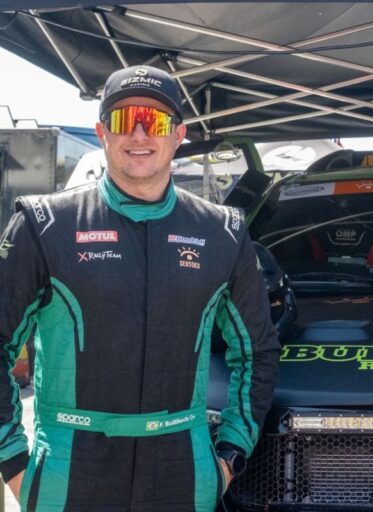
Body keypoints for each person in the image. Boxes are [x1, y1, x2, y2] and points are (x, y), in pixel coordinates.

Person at [0, 65, 281, 510]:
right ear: (100, 133)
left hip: (181, 473)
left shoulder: (222, 232)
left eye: (155, 121)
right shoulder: (43, 224)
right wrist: (13, 462)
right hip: (69, 469)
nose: (138, 134)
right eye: (122, 119)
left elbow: (257, 352)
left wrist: (229, 457)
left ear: (179, 135)